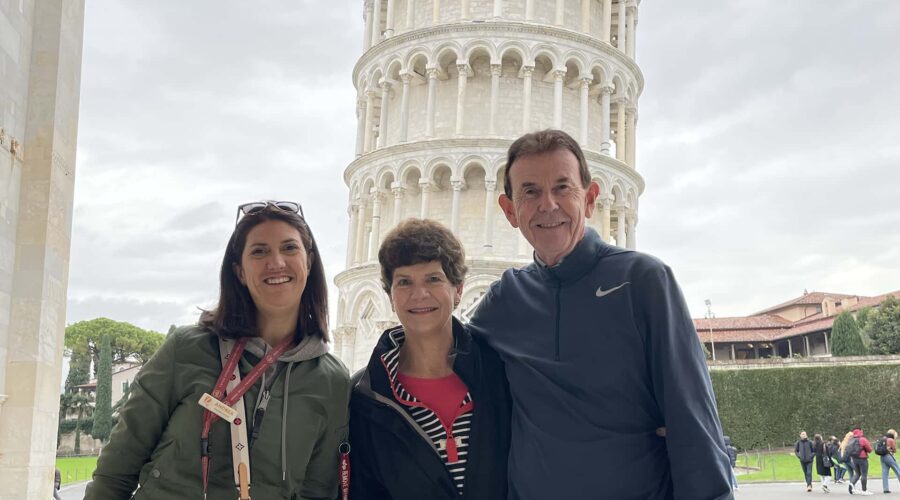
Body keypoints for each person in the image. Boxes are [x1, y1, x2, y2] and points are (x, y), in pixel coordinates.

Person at [467, 129, 732, 499]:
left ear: (590, 199)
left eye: (563, 188)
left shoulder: (643, 280)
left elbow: (692, 417)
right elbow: (442, 359)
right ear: (510, 210)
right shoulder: (505, 299)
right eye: (530, 191)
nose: (548, 205)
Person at [85, 201, 351, 499]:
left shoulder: (331, 380)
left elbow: (316, 492)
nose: (276, 262)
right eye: (259, 251)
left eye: (289, 248)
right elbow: (117, 466)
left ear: (309, 261)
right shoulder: (186, 350)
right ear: (239, 271)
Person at [349, 219, 511, 499]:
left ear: (458, 289)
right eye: (404, 282)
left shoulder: (499, 372)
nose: (419, 294)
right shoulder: (366, 396)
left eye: (433, 279)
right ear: (390, 296)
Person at [847, 427, 874, 495]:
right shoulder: (863, 439)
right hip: (862, 458)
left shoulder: (851, 440)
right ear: (860, 431)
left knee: (857, 473)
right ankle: (864, 490)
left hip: (854, 459)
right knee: (864, 474)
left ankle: (851, 484)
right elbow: (870, 450)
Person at [880, 429, 899, 494]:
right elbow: (894, 449)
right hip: (889, 456)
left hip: (882, 457)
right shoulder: (891, 440)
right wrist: (892, 450)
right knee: (898, 470)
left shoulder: (883, 438)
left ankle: (886, 489)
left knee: (885, 473)